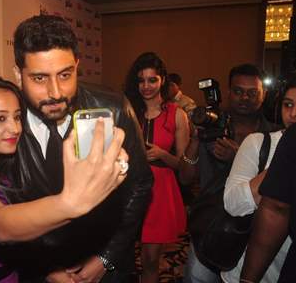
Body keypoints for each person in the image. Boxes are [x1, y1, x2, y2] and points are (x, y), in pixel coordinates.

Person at [0, 74, 129, 282]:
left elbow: (20, 242)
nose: (15, 128)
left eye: (17, 117)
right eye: (0, 118)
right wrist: (69, 203)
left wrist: (49, 271)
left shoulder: (5, 175)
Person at [12, 15, 153, 283]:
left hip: (105, 267)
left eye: (65, 75)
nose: (55, 92)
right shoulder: (5, 121)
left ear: (77, 65)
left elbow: (140, 185)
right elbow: (3, 207)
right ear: (19, 74)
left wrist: (106, 257)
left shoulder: (113, 109)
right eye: (40, 78)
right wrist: (45, 269)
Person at [182, 64, 279, 283]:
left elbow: (277, 185)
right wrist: (196, 139)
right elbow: (185, 178)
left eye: (252, 92)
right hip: (209, 226)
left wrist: (240, 157)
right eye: (238, 91)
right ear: (227, 93)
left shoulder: (272, 135)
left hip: (254, 232)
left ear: (263, 95)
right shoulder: (211, 127)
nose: (244, 97)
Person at [221, 76, 296, 282]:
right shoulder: (259, 142)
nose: (293, 114)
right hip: (250, 269)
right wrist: (281, 168)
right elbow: (233, 204)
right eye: (288, 104)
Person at [124, 52, 190, 283]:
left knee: (150, 259)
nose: (146, 86)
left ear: (162, 80)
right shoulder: (127, 112)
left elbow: (185, 167)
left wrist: (162, 154)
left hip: (160, 193)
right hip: (128, 190)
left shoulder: (178, 115)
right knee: (122, 258)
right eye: (141, 80)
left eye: (152, 80)